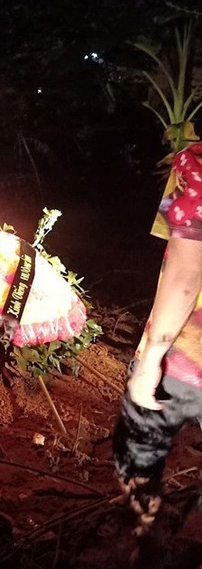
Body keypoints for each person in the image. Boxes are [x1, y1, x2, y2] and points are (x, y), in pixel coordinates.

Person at [113, 142, 202, 535]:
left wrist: (150, 359)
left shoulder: (193, 164)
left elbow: (184, 274)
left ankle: (140, 531)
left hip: (188, 356)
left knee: (137, 449)